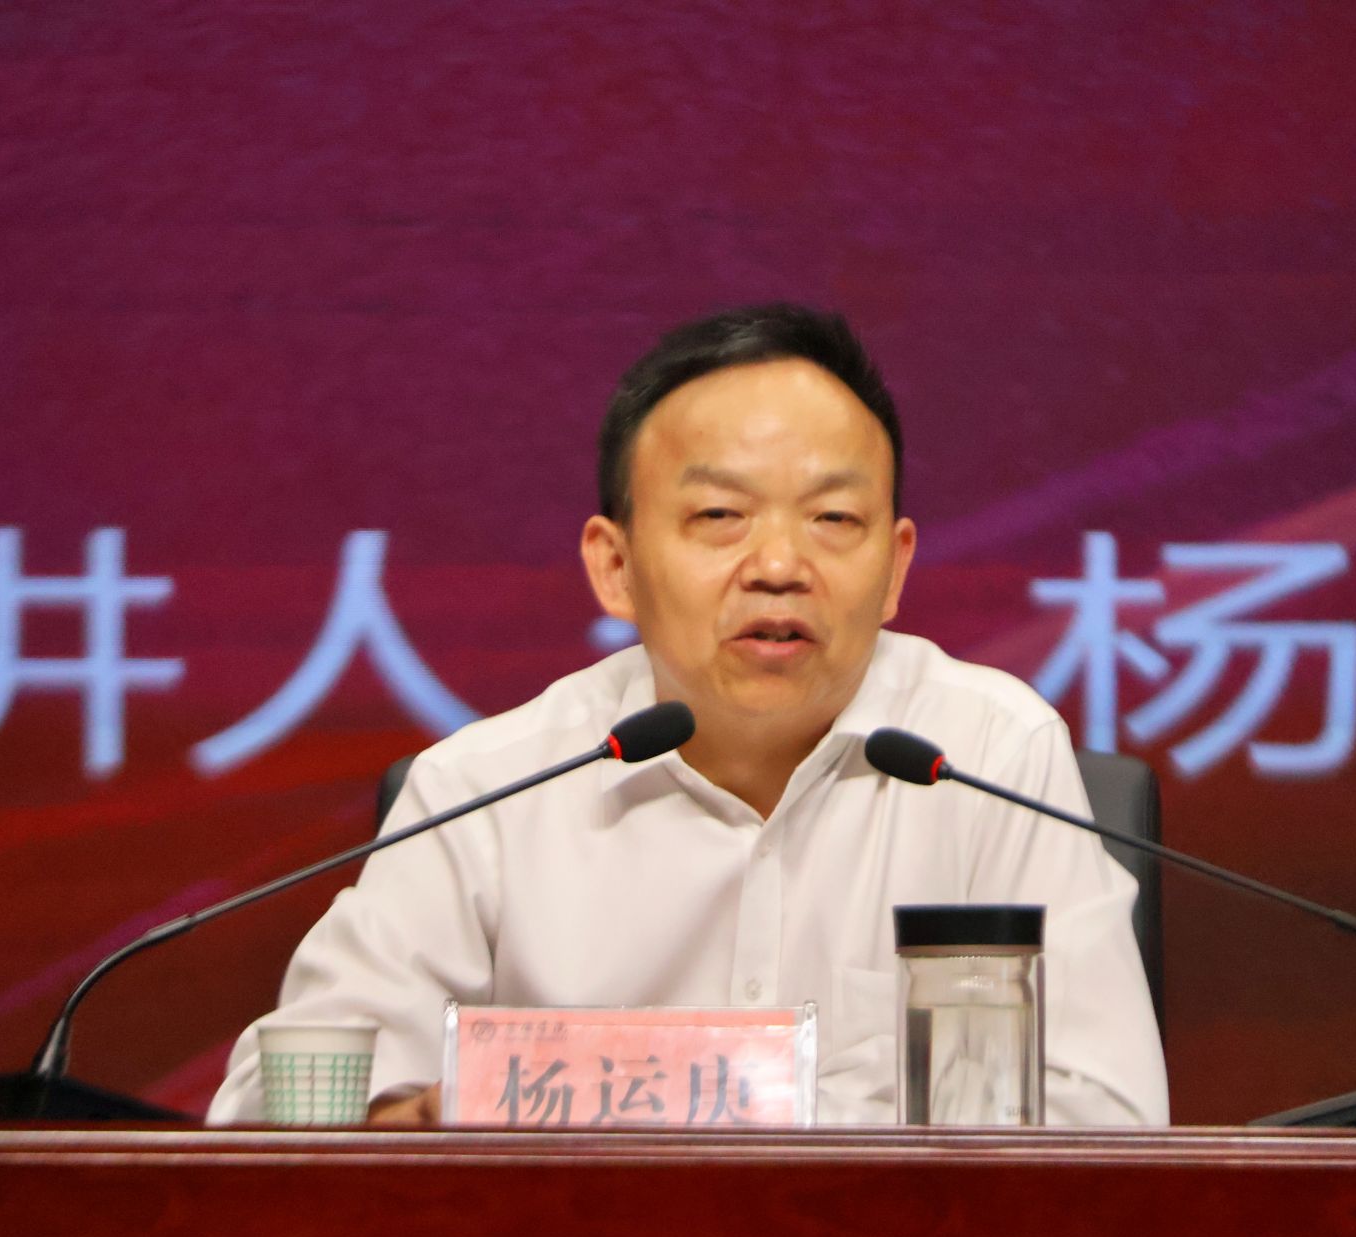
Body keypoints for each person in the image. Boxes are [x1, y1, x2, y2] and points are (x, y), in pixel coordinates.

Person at [207, 304, 1167, 1126]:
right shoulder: (488, 788)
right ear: (615, 564)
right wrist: (403, 1120)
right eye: (719, 517)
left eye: (834, 519)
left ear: (895, 566)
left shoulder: (989, 755)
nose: (780, 565)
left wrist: (710, 1111)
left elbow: (1110, 1113)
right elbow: (274, 1100)